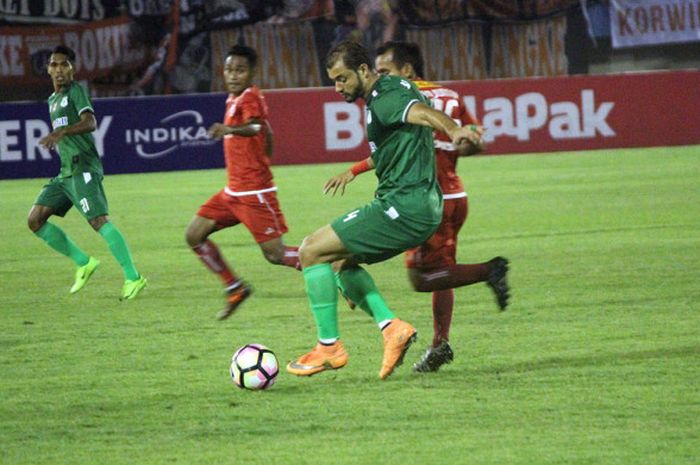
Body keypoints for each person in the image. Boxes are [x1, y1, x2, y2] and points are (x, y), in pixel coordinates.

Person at [286, 40, 482, 380]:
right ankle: (392, 329)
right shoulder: (395, 87)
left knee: (310, 251)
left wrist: (453, 128)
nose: (337, 88)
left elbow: (424, 115)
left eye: (342, 79)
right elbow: (396, 144)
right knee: (341, 264)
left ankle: (328, 347)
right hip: (417, 206)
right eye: (333, 80)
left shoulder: (386, 97)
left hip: (402, 207)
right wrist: (355, 170)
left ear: (363, 71)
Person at [338, 40, 510, 372]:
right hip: (455, 197)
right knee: (441, 270)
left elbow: (393, 151)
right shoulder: (452, 96)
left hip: (422, 198)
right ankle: (440, 344)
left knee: (420, 276)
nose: (378, 76)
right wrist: (465, 137)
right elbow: (474, 142)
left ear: (407, 71)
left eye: (384, 70)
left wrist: (359, 168)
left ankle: (489, 270)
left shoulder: (399, 97)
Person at [185, 45, 300, 320]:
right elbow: (267, 131)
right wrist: (264, 154)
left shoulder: (250, 97)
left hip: (254, 192)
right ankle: (234, 287)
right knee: (194, 235)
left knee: (275, 255)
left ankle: (332, 265)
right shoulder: (234, 98)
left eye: (240, 70)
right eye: (229, 69)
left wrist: (228, 130)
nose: (233, 75)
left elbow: (257, 127)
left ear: (252, 72)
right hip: (233, 193)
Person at [28, 46, 147, 300]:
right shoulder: (52, 100)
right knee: (35, 220)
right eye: (54, 65)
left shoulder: (76, 92)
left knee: (98, 221)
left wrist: (62, 132)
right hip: (65, 172)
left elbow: (91, 122)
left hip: (83, 167)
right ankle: (84, 262)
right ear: (48, 69)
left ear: (72, 69)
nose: (59, 69)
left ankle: (133, 277)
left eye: (64, 65)